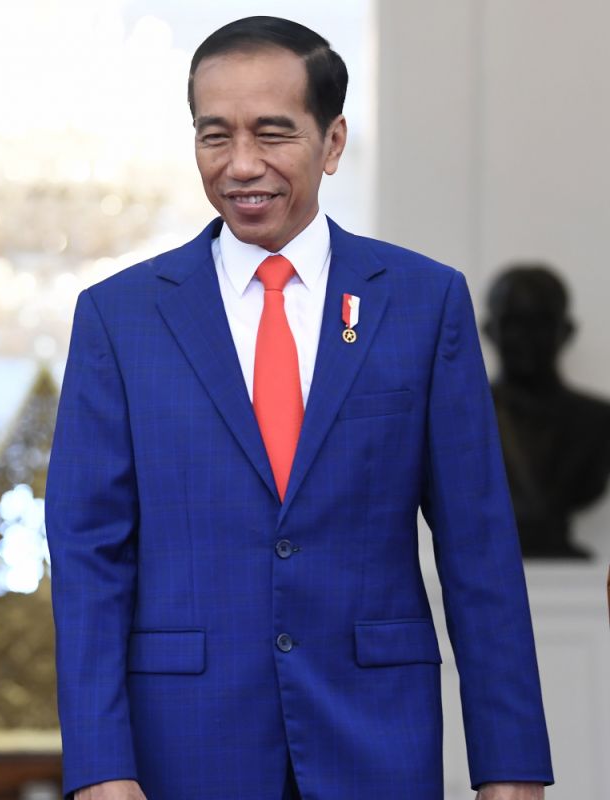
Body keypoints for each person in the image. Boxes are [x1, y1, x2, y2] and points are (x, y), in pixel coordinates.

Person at [45, 16, 552, 800]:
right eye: (215, 136)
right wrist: (100, 768)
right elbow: (88, 558)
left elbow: (479, 551)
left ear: (334, 141)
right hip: (184, 743)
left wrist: (511, 765)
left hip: (377, 736)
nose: (241, 164)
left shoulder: (422, 303)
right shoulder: (120, 317)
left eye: (272, 133)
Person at [483, 264, 610, 559]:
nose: (525, 337)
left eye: (539, 323)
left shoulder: (599, 421)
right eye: (513, 323)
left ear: (565, 332)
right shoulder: (461, 417)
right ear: (490, 331)